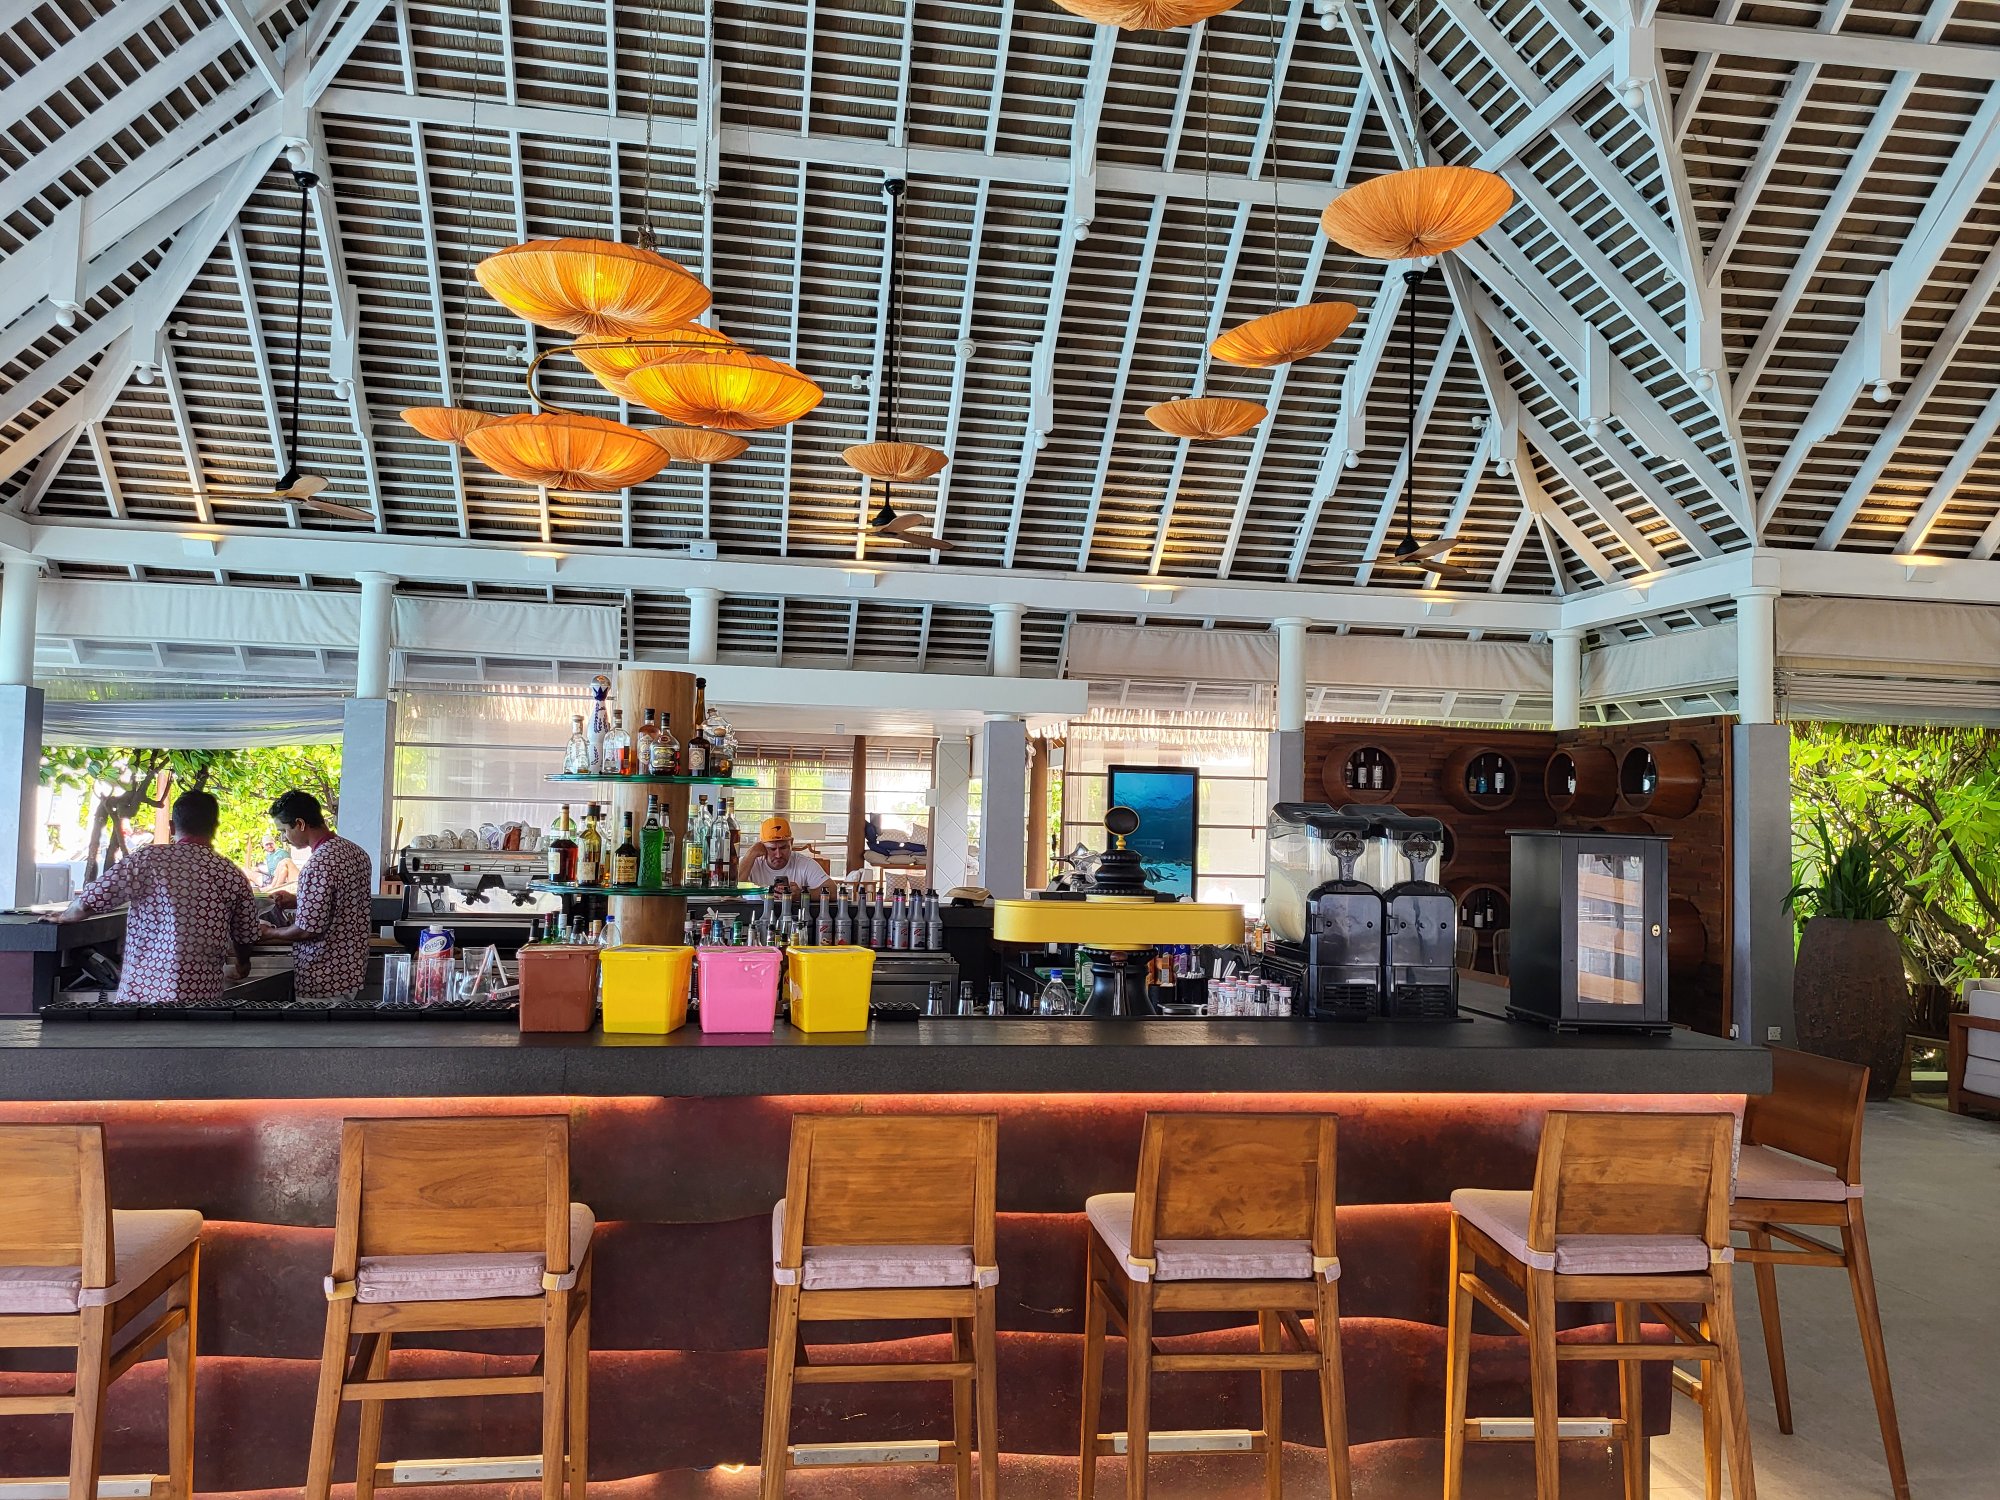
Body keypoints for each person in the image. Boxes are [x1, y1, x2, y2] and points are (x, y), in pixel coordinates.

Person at [49, 790, 259, 1004]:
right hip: (200, 1002)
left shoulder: (147, 859)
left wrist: (64, 916)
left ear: (172, 827)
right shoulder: (230, 873)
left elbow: (90, 901)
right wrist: (242, 964)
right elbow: (246, 935)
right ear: (214, 826)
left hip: (142, 998)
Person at [258, 789, 374, 1002]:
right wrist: (298, 900)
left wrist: (269, 932)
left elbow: (307, 929)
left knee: (318, 1024)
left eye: (284, 830)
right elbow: (342, 903)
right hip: (351, 970)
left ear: (300, 824)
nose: (284, 838)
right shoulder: (356, 852)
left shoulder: (319, 863)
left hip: (323, 974)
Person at [738, 815, 828, 894]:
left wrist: (802, 894)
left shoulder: (805, 863)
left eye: (783, 847)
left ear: (791, 843)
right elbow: (732, 892)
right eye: (772, 849)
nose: (778, 855)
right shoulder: (750, 861)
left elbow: (832, 891)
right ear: (761, 846)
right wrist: (750, 854)